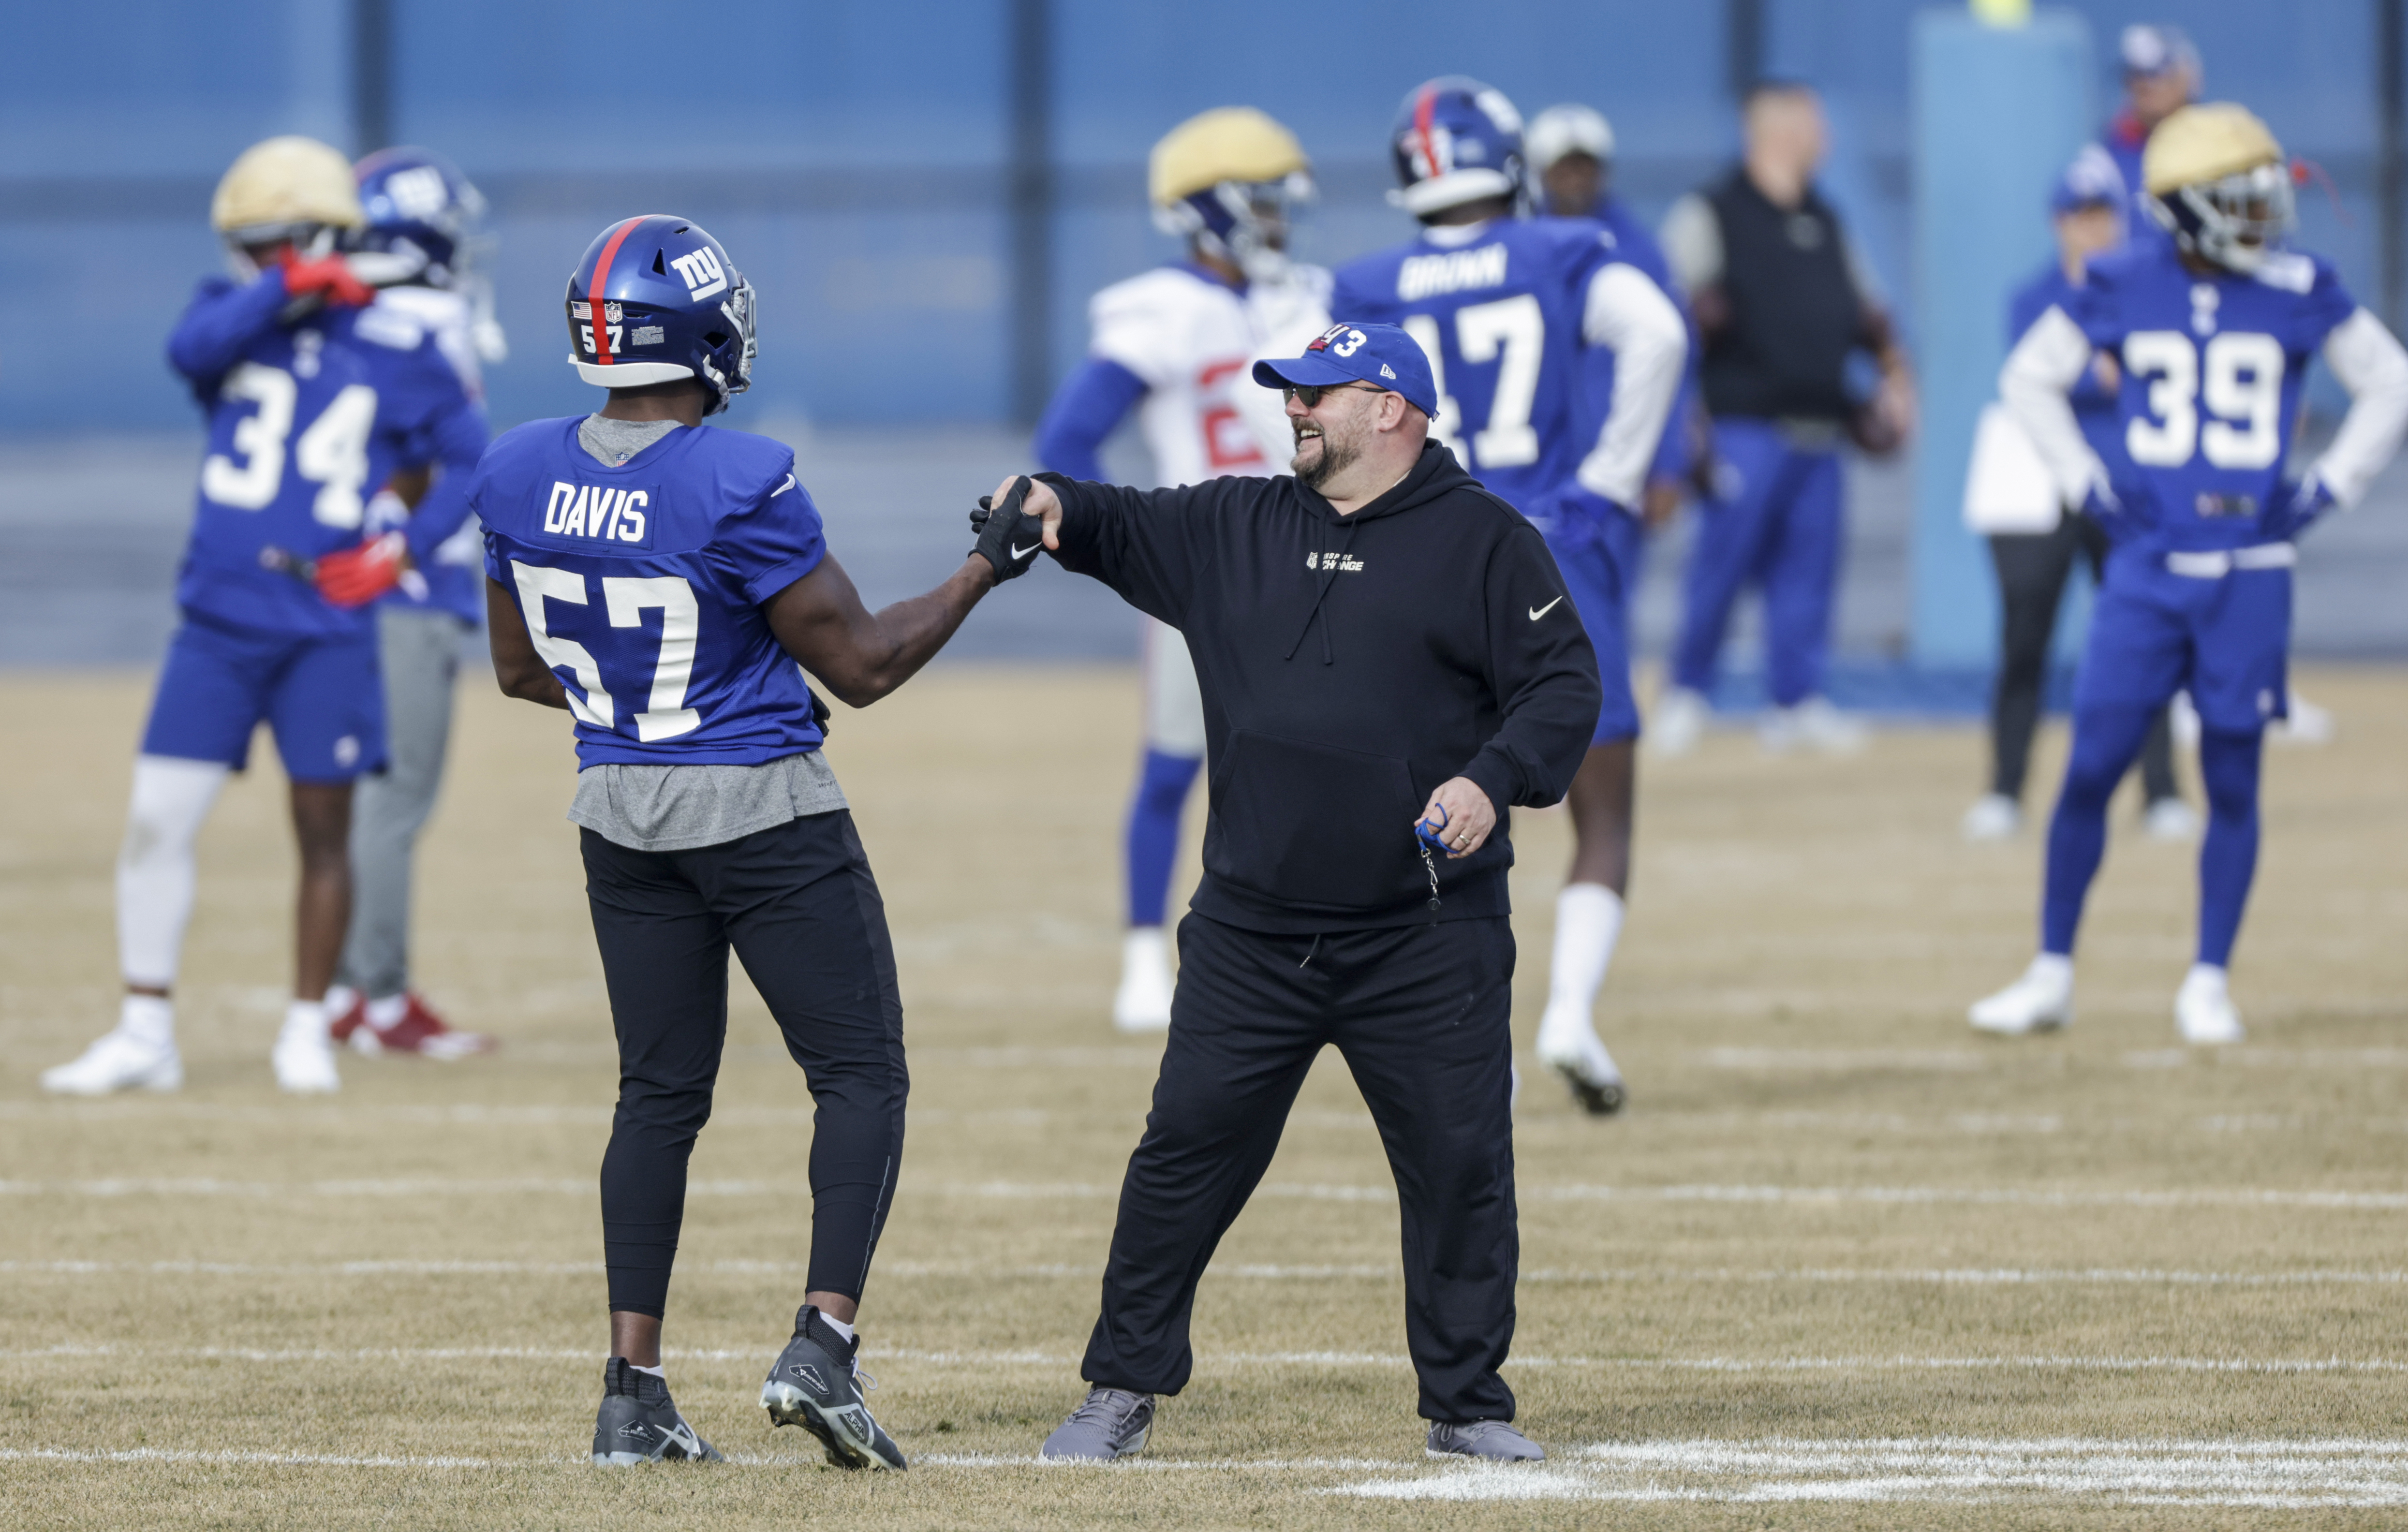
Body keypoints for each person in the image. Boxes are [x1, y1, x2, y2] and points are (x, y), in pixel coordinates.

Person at [478, 215, 1044, 1468]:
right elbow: (864, 666)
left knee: (657, 1095)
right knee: (860, 1075)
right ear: (696, 330)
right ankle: (822, 1345)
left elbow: (521, 670)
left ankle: (631, 1391)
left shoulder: (514, 470)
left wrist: (645, 699)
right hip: (762, 812)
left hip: (617, 813)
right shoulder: (736, 477)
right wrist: (983, 568)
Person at [1015, 321, 1602, 1465]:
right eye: (1289, 391)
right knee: (1183, 1152)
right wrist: (1048, 500)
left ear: (1390, 407)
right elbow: (1111, 518)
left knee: (1458, 1161)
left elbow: (1563, 688)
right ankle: (1120, 1386)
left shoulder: (1487, 540)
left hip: (1427, 931)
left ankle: (1467, 1402)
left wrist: (1492, 782)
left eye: (1315, 393)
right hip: (1252, 928)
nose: (1292, 408)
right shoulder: (1233, 522)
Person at [42, 136, 485, 1097]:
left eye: (268, 246)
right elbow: (186, 351)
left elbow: (470, 455)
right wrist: (288, 284)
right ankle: (144, 1028)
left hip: (325, 621)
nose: (249, 264)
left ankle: (304, 1028)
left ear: (323, 234)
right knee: (158, 819)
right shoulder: (231, 320)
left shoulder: (394, 344)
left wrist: (402, 547)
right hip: (217, 615)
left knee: (323, 828)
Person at [1975, 104, 2408, 1045]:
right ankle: (2050, 971)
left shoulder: (2297, 282)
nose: (2260, 212)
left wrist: (2328, 486)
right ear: (2181, 209)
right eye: (2237, 195)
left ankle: (2206, 978)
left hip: (2246, 567)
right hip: (2144, 565)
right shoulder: (2123, 278)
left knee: (2232, 777)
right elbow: (2023, 378)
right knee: (2088, 766)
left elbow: (2389, 379)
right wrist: (2085, 484)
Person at [1328, 78, 1685, 1116]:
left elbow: (1326, 423)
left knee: (1415, 808)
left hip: (1423, 552)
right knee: (1601, 816)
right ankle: (1568, 1012)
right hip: (1549, 549)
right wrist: (1609, 482)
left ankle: (1408, 1026)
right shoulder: (1563, 250)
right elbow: (1657, 336)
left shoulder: (1366, 282)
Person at [1033, 106, 1329, 1032]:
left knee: (1325, 761)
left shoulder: (1312, 295)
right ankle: (1137, 957)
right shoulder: (1155, 308)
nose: (1276, 217)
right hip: (1207, 562)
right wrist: (1146, 532)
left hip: (1315, 554)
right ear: (1206, 207)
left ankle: (1316, 951)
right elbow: (1065, 439)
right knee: (1172, 765)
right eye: (1260, 198)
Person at [1654, 80, 1916, 755]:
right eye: (1812, 123)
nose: (1823, 136)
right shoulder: (1709, 212)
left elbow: (1868, 313)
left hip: (1820, 427)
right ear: (1776, 131)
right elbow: (1663, 318)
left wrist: (1894, 375)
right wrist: (1682, 414)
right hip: (1743, 425)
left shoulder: (1827, 219)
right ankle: (1687, 692)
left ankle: (1795, 700)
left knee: (1808, 570)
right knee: (1722, 563)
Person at [321, 147, 505, 1057]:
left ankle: (352, 985)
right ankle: (374, 997)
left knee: (357, 795)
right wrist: (407, 543)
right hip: (406, 584)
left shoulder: (336, 318)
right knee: (395, 797)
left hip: (343, 583)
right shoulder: (425, 318)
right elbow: (461, 460)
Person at [1964, 147, 2191, 845]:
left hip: (2126, 485)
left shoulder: (2148, 291)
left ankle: (2160, 792)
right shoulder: (2035, 295)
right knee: (2023, 638)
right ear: (2056, 220)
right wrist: (2102, 368)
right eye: (2076, 213)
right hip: (2044, 489)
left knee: (2141, 639)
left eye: (2100, 213)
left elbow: (2141, 379)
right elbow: (2043, 378)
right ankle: (2005, 789)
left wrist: (2104, 369)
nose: (2089, 228)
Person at [2103, 24, 2202, 254]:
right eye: (2135, 74)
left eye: (2157, 73)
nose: (2144, 85)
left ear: (2188, 76)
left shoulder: (2217, 149)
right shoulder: (2107, 159)